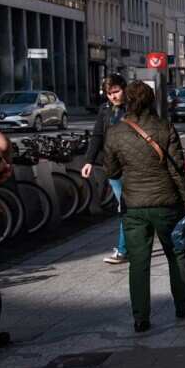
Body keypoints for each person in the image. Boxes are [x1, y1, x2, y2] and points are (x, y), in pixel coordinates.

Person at [104, 81, 185, 334]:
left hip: (134, 205)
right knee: (175, 253)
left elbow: (112, 170)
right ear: (151, 100)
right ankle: (182, 305)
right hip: (167, 202)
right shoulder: (164, 127)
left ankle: (140, 318)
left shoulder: (115, 132)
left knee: (138, 262)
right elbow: (177, 170)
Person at [82, 74, 129, 264]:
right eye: (109, 94)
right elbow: (97, 136)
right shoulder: (105, 110)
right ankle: (125, 248)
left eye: (116, 91)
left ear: (124, 88)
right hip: (113, 166)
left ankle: (125, 248)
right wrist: (89, 161)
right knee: (126, 207)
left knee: (129, 207)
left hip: (134, 164)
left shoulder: (134, 107)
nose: (113, 97)